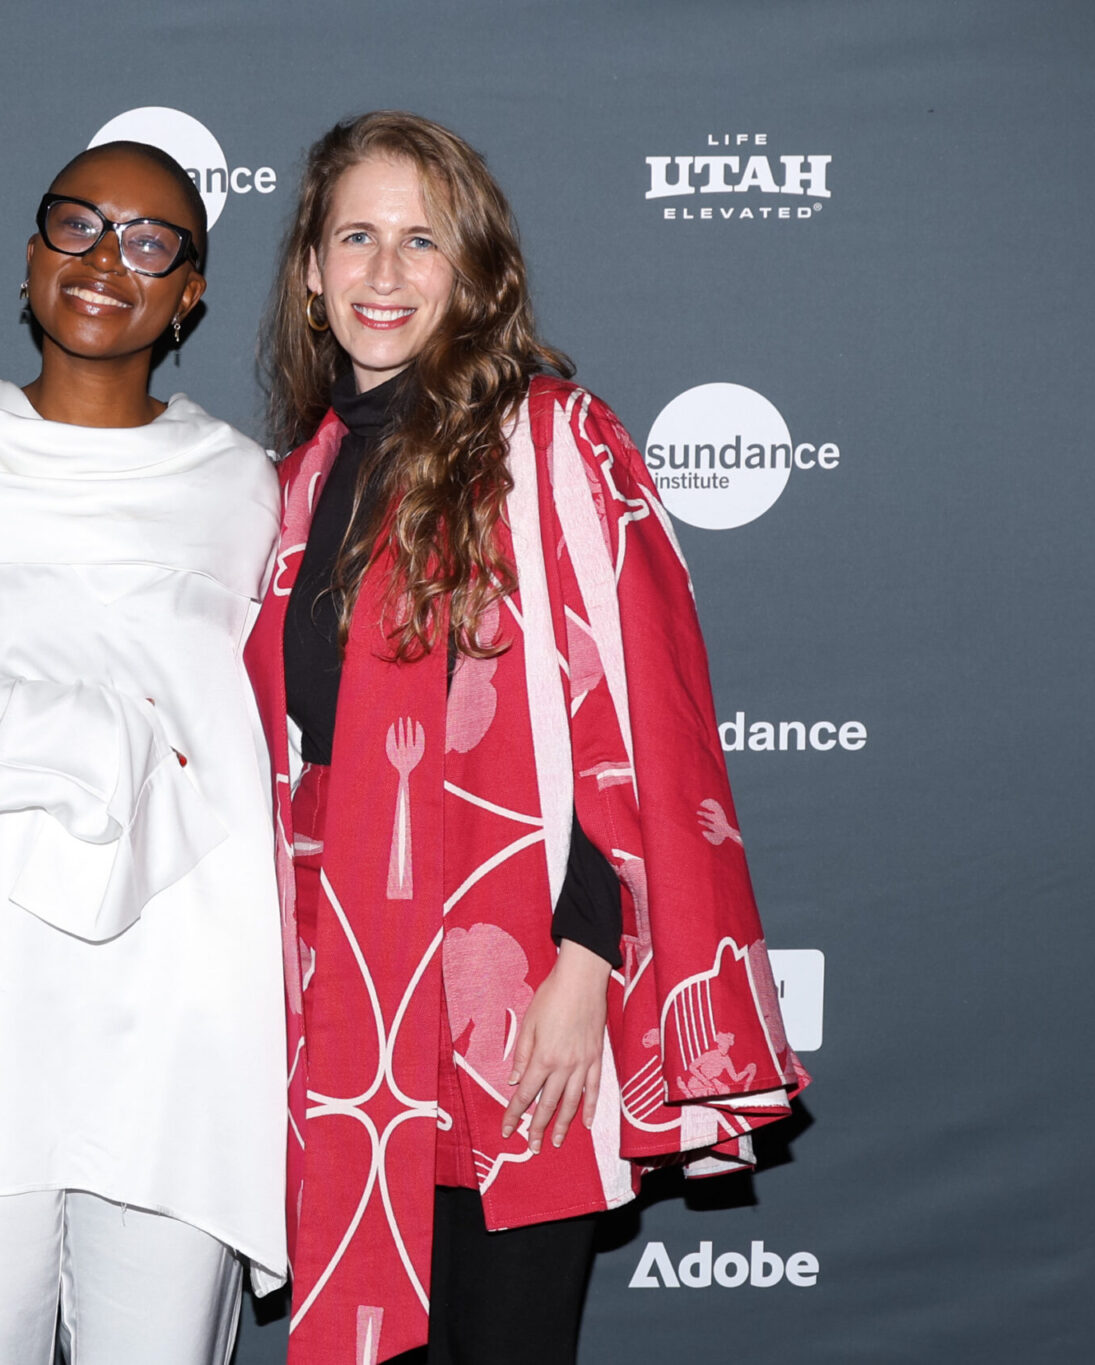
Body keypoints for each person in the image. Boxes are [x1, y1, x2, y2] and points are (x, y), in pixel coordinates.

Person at [245, 112, 810, 1364]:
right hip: (344, 995)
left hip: (513, 986)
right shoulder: (292, 482)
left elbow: (638, 716)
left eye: (420, 242)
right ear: (307, 269)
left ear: (474, 273)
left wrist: (586, 958)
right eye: (355, 237)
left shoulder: (552, 442)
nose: (382, 274)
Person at [0, 140, 285, 1364]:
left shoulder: (242, 490)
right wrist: (83, 738)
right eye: (74, 225)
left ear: (189, 293)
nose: (101, 260)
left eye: (147, 242)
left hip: (180, 985)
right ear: (30, 256)